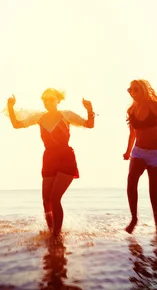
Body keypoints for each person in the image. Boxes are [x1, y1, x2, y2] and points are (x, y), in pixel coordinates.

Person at [6, 88, 95, 237]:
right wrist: (10, 107)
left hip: (65, 158)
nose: (48, 102)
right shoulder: (39, 117)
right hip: (49, 159)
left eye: (51, 99)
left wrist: (90, 109)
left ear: (58, 100)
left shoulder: (67, 115)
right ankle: (51, 232)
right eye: (45, 100)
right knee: (46, 200)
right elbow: (17, 124)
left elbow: (89, 124)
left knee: (55, 198)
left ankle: (56, 234)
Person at [123, 79, 157, 234]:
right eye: (131, 90)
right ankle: (134, 218)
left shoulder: (155, 106)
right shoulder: (131, 110)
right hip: (138, 152)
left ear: (144, 90)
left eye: (136, 89)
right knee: (131, 182)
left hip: (155, 154)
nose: (133, 92)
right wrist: (128, 151)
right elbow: (132, 133)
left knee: (154, 195)